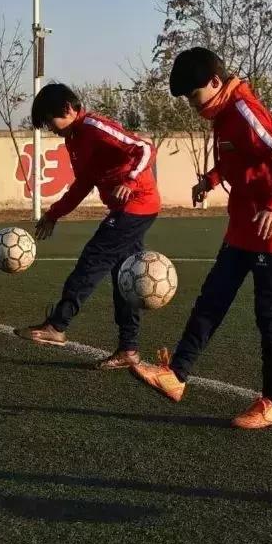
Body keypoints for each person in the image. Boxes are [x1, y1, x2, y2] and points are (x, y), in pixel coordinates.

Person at [131, 47, 272, 429]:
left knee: (270, 315)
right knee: (213, 296)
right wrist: (210, 180)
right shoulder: (222, 113)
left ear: (214, 82)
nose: (193, 105)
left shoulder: (242, 109)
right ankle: (176, 374)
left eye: (194, 96)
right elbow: (235, 159)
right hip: (243, 222)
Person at [13, 82, 161, 369]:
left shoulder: (94, 126)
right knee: (125, 277)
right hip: (126, 208)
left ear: (68, 109)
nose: (51, 129)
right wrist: (54, 213)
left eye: (50, 121)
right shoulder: (74, 139)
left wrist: (130, 180)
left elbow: (144, 147)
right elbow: (83, 183)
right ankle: (128, 350)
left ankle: (58, 324)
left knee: (94, 258)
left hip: (137, 203)